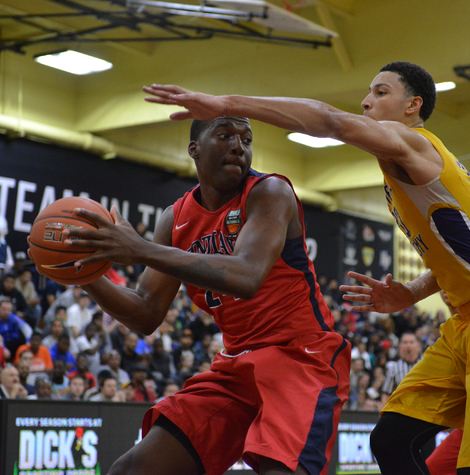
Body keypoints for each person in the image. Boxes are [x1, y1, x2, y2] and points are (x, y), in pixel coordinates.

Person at [142, 62, 470, 474]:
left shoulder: (414, 143)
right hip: (467, 319)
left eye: (380, 92)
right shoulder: (405, 169)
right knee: (390, 439)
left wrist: (222, 103)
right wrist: (412, 292)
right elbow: (469, 255)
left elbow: (328, 120)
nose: (365, 101)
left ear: (412, 106)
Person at [55, 114, 351, 475]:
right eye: (224, 135)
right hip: (235, 367)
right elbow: (147, 313)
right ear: (194, 149)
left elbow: (247, 275)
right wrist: (81, 272)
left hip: (301, 358)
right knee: (133, 468)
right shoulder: (175, 218)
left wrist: (141, 249)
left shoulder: (270, 193)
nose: (238, 145)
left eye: (246, 138)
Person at [380, 331, 423, 405]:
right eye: (405, 342)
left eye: (411, 342)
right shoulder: (394, 368)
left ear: (418, 346)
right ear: (400, 346)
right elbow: (386, 394)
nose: (408, 346)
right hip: (402, 411)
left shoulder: (427, 365)